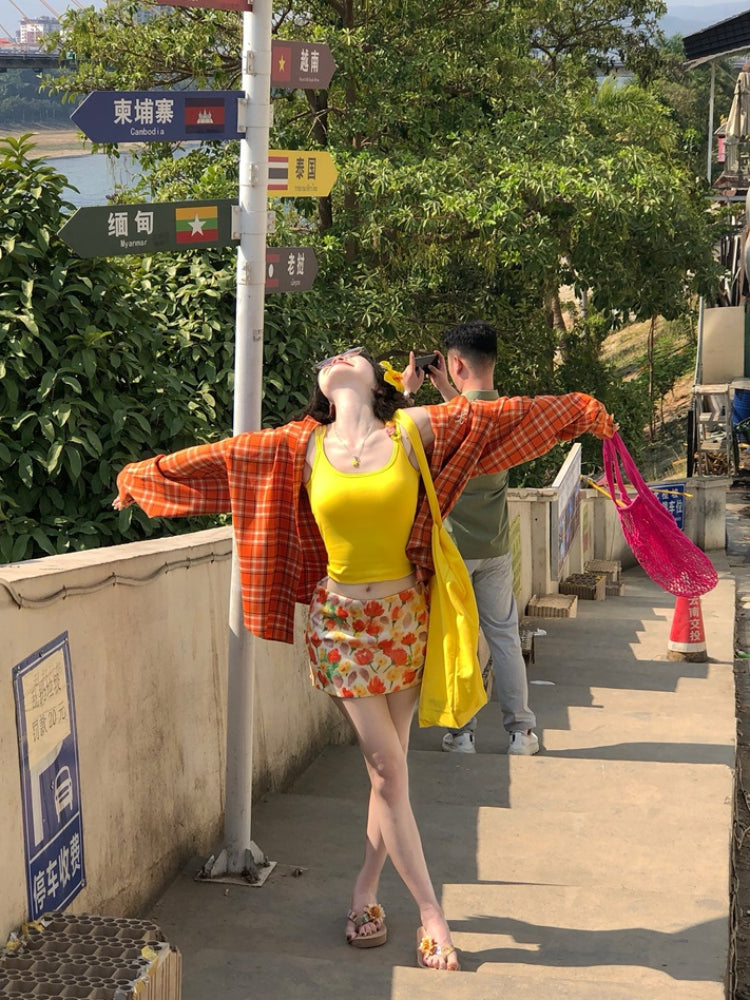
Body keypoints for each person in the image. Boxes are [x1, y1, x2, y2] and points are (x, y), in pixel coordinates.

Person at [113, 345, 614, 971]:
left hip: (405, 620)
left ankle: (365, 891)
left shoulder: (411, 429)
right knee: (387, 771)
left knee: (389, 777)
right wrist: (143, 479)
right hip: (340, 628)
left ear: (379, 381)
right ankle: (431, 914)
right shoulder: (297, 446)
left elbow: (500, 417)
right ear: (322, 388)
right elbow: (219, 463)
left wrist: (581, 411)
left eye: (353, 353)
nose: (339, 357)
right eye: (330, 358)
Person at [402, 320, 539, 756]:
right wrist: (447, 389)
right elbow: (473, 424)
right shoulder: (511, 415)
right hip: (495, 549)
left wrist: (406, 391)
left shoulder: (442, 421)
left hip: (452, 552)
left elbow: (389, 439)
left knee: (457, 641)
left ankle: (462, 734)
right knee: (505, 639)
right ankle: (521, 733)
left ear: (456, 363)